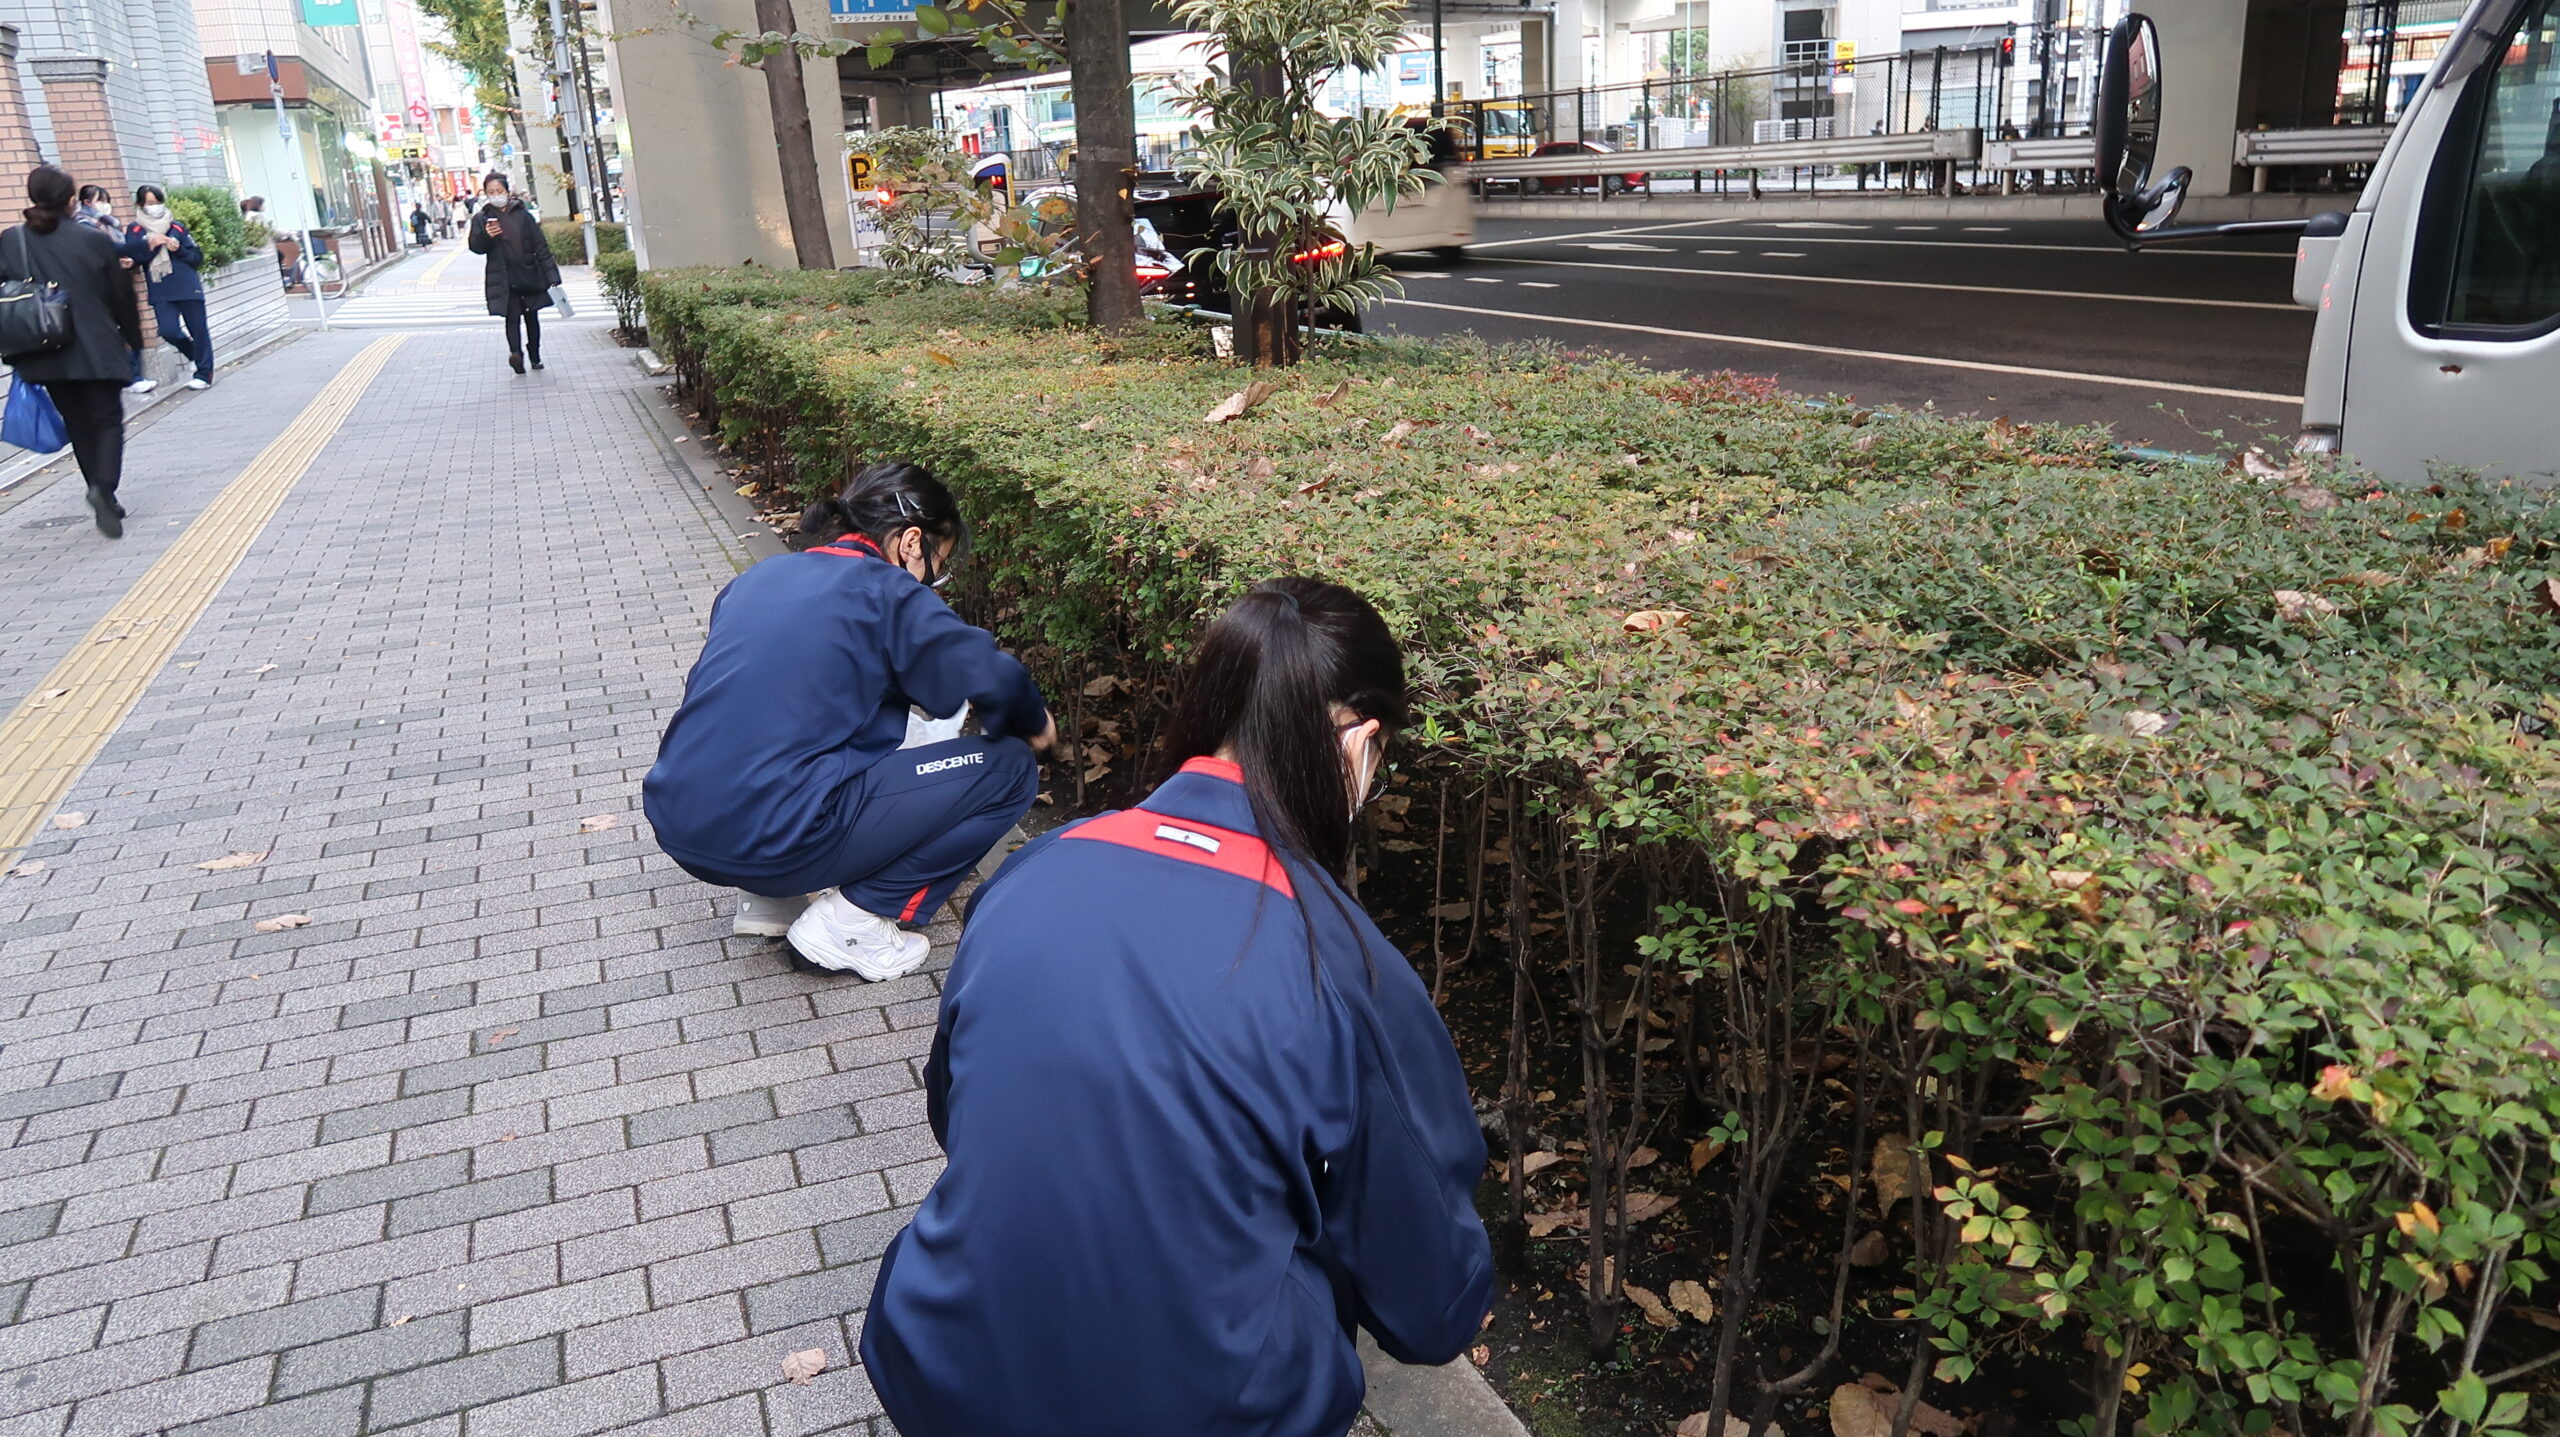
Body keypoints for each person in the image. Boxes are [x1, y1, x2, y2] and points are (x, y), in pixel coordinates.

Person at [859, 577, 1495, 1437]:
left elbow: (955, 1109)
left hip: (935, 1360)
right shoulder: (1344, 962)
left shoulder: (1037, 869)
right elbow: (1432, 1306)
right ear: (1360, 741)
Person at [643, 461, 1056, 977]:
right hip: (776, 834)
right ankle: (856, 921)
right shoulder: (888, 590)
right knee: (1010, 770)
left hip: (681, 824)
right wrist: (1031, 720)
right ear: (910, 542)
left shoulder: (758, 577)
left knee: (789, 733)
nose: (933, 575)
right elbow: (986, 675)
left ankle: (772, 900)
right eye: (938, 559)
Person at [0, 165, 145, 538]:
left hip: (43, 350)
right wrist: (134, 338)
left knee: (79, 424)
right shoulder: (92, 239)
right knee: (107, 421)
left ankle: (103, 497)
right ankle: (103, 489)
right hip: (95, 347)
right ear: (70, 200)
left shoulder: (11, 240)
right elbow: (120, 296)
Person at [464, 173, 560, 374]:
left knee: (531, 316)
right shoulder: (482, 218)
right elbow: (475, 247)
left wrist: (552, 276)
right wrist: (486, 237)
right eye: (491, 192)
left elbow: (540, 246)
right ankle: (515, 354)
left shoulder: (523, 215)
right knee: (512, 317)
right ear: (486, 194)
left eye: (499, 191)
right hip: (504, 277)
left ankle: (534, 355)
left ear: (507, 192)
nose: (496, 195)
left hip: (528, 272)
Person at [125, 185, 213, 392]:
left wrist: (179, 249)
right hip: (159, 287)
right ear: (140, 205)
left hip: (186, 285)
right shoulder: (135, 230)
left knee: (199, 330)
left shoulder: (177, 227)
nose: (155, 207)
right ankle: (192, 353)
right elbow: (136, 258)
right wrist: (151, 246)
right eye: (150, 204)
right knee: (168, 330)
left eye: (158, 202)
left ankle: (204, 373)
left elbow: (196, 258)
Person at [73, 185, 149, 395]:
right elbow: (99, 252)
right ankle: (129, 376)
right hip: (100, 288)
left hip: (120, 284)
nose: (105, 205)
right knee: (115, 332)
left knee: (130, 328)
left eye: (106, 200)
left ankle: (136, 375)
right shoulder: (83, 224)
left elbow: (119, 247)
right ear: (87, 202)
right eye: (100, 200)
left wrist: (128, 260)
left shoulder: (109, 223)